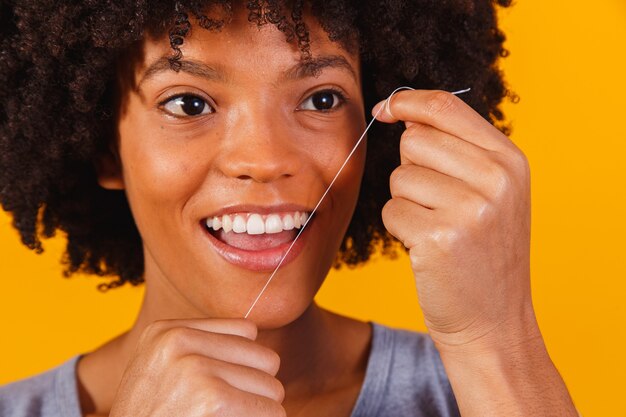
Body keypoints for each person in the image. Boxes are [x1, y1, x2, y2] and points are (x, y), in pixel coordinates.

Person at [0, 1, 578, 416]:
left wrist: (496, 342)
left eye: (321, 99)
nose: (264, 159)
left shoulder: (473, 391)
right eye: (188, 102)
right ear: (106, 147)